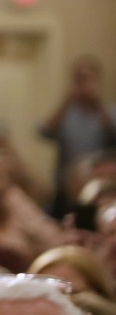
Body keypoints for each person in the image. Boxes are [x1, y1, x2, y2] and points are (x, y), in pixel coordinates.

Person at [39, 55, 116, 217]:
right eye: (80, 79)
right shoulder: (66, 114)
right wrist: (67, 100)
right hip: (65, 192)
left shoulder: (109, 113)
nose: (85, 84)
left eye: (90, 79)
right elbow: (44, 131)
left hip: (100, 192)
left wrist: (98, 104)